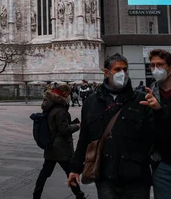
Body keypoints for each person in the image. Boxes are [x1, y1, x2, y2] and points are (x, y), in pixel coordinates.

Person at [67, 53, 154, 199]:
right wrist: (75, 169)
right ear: (107, 72)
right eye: (117, 69)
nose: (122, 74)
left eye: (125, 70)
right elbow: (85, 138)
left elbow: (154, 135)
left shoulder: (142, 100)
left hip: (136, 176)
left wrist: (159, 110)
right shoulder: (92, 102)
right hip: (105, 175)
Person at [32, 83, 86, 199]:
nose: (70, 96)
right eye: (69, 94)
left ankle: (36, 195)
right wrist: (77, 125)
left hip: (51, 145)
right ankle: (79, 195)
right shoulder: (60, 110)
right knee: (70, 171)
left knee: (45, 173)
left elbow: (56, 126)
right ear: (65, 93)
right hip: (61, 148)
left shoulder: (49, 106)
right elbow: (64, 130)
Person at [141, 48, 171, 199]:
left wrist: (160, 110)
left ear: (169, 67)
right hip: (162, 163)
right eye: (152, 66)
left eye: (160, 65)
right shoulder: (151, 92)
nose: (155, 69)